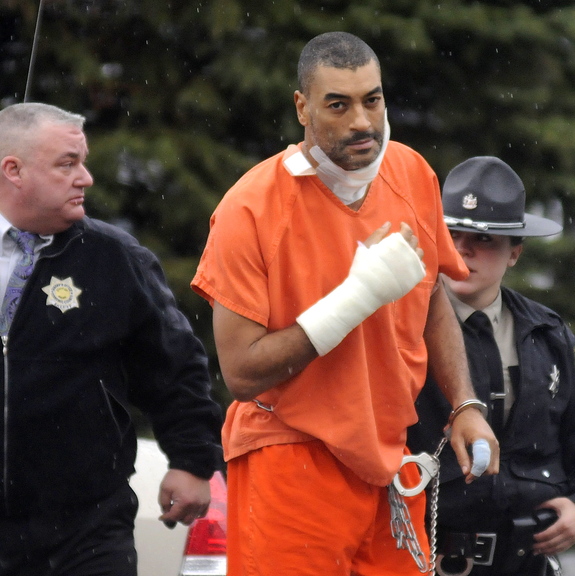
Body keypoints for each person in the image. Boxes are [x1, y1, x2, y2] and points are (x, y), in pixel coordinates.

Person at [192, 31, 499, 576]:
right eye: (339, 104)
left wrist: (464, 406)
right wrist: (357, 297)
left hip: (385, 459)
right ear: (302, 108)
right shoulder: (249, 208)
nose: (362, 121)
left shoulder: (411, 172)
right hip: (287, 453)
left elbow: (428, 297)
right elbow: (240, 374)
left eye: (372, 100)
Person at [0, 102, 223, 576]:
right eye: (67, 164)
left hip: (87, 531)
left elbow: (176, 366)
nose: (86, 178)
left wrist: (193, 460)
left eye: (83, 162)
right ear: (13, 170)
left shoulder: (114, 258)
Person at [408, 156, 574, 576]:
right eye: (452, 234)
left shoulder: (549, 334)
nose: (462, 249)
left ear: (514, 252)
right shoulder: (400, 327)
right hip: (425, 554)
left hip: (527, 561)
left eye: (483, 239)